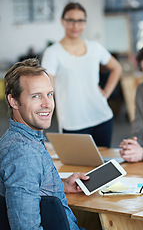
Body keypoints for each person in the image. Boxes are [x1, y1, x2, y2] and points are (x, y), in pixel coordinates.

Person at [0, 58, 88, 229]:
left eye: (49, 94)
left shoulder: (16, 140)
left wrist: (61, 186)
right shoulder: (24, 154)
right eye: (36, 96)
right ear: (14, 101)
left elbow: (28, 186)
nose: (48, 104)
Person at [41, 2, 122, 148]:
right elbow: (46, 87)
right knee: (76, 169)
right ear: (62, 21)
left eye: (80, 21)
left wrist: (106, 93)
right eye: (70, 20)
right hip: (73, 122)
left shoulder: (95, 48)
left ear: (85, 23)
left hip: (102, 117)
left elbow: (117, 68)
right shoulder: (53, 53)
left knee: (103, 167)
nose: (75, 25)